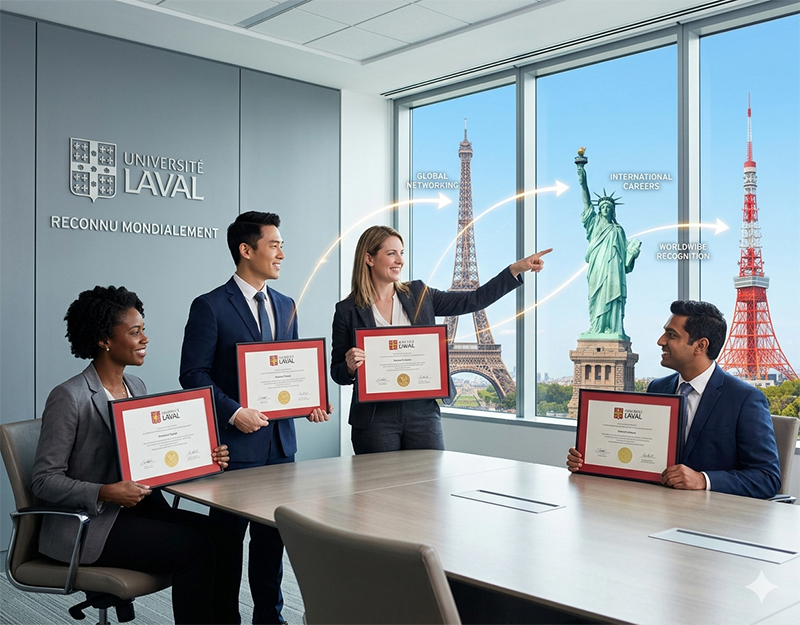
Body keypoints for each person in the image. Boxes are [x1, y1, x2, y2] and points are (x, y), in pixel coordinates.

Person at [31, 286, 241, 625]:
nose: (145, 338)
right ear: (104, 340)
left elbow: (152, 457)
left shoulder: (137, 387)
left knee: (226, 535)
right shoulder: (69, 397)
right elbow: (43, 480)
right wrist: (104, 491)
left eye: (143, 329)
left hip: (139, 509)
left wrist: (202, 455)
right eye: (135, 332)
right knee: (195, 548)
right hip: (91, 524)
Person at [180, 211, 329, 625]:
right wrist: (234, 411)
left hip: (281, 445)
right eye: (274, 244)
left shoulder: (286, 305)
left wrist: (310, 401)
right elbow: (192, 375)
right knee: (226, 545)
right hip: (236, 446)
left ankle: (270, 618)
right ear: (246, 250)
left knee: (272, 543)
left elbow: (293, 368)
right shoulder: (210, 305)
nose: (283, 253)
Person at [331, 225, 551, 454]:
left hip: (422, 414)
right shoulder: (347, 310)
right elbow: (337, 372)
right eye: (391, 253)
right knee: (379, 487)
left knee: (429, 486)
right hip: (374, 418)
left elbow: (473, 300)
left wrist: (515, 269)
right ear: (369, 258)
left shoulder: (418, 293)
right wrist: (348, 368)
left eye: (402, 253)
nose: (400, 261)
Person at [567, 300, 781, 498]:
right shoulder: (657, 388)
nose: (661, 341)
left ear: (700, 346)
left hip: (712, 520)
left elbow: (767, 478)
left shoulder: (745, 400)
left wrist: (703, 480)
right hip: (654, 508)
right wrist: (591, 460)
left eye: (671, 335)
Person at [576, 155, 641, 339]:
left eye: (608, 207)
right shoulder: (594, 223)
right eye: (602, 206)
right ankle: (595, 328)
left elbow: (626, 259)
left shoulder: (618, 230)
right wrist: (582, 179)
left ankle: (614, 329)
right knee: (596, 297)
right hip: (598, 266)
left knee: (614, 298)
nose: (605, 209)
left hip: (614, 269)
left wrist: (633, 254)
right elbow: (586, 202)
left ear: (613, 210)